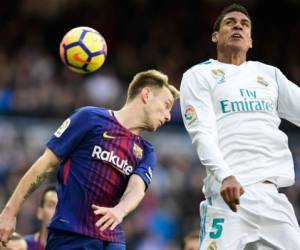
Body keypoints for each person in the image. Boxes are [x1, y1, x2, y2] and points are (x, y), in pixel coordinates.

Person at [0, 69, 179, 250]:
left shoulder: (146, 152)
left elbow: (137, 188)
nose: (168, 115)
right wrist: (10, 212)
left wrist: (120, 210)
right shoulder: (90, 119)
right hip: (71, 234)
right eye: (166, 105)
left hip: (112, 239)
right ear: (146, 95)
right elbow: (46, 164)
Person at [180, 3, 300, 250]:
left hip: (272, 198)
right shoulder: (199, 75)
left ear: (251, 41)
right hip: (228, 197)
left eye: (245, 24)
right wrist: (224, 175)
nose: (238, 26)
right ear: (215, 36)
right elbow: (200, 132)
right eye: (230, 22)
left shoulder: (269, 75)